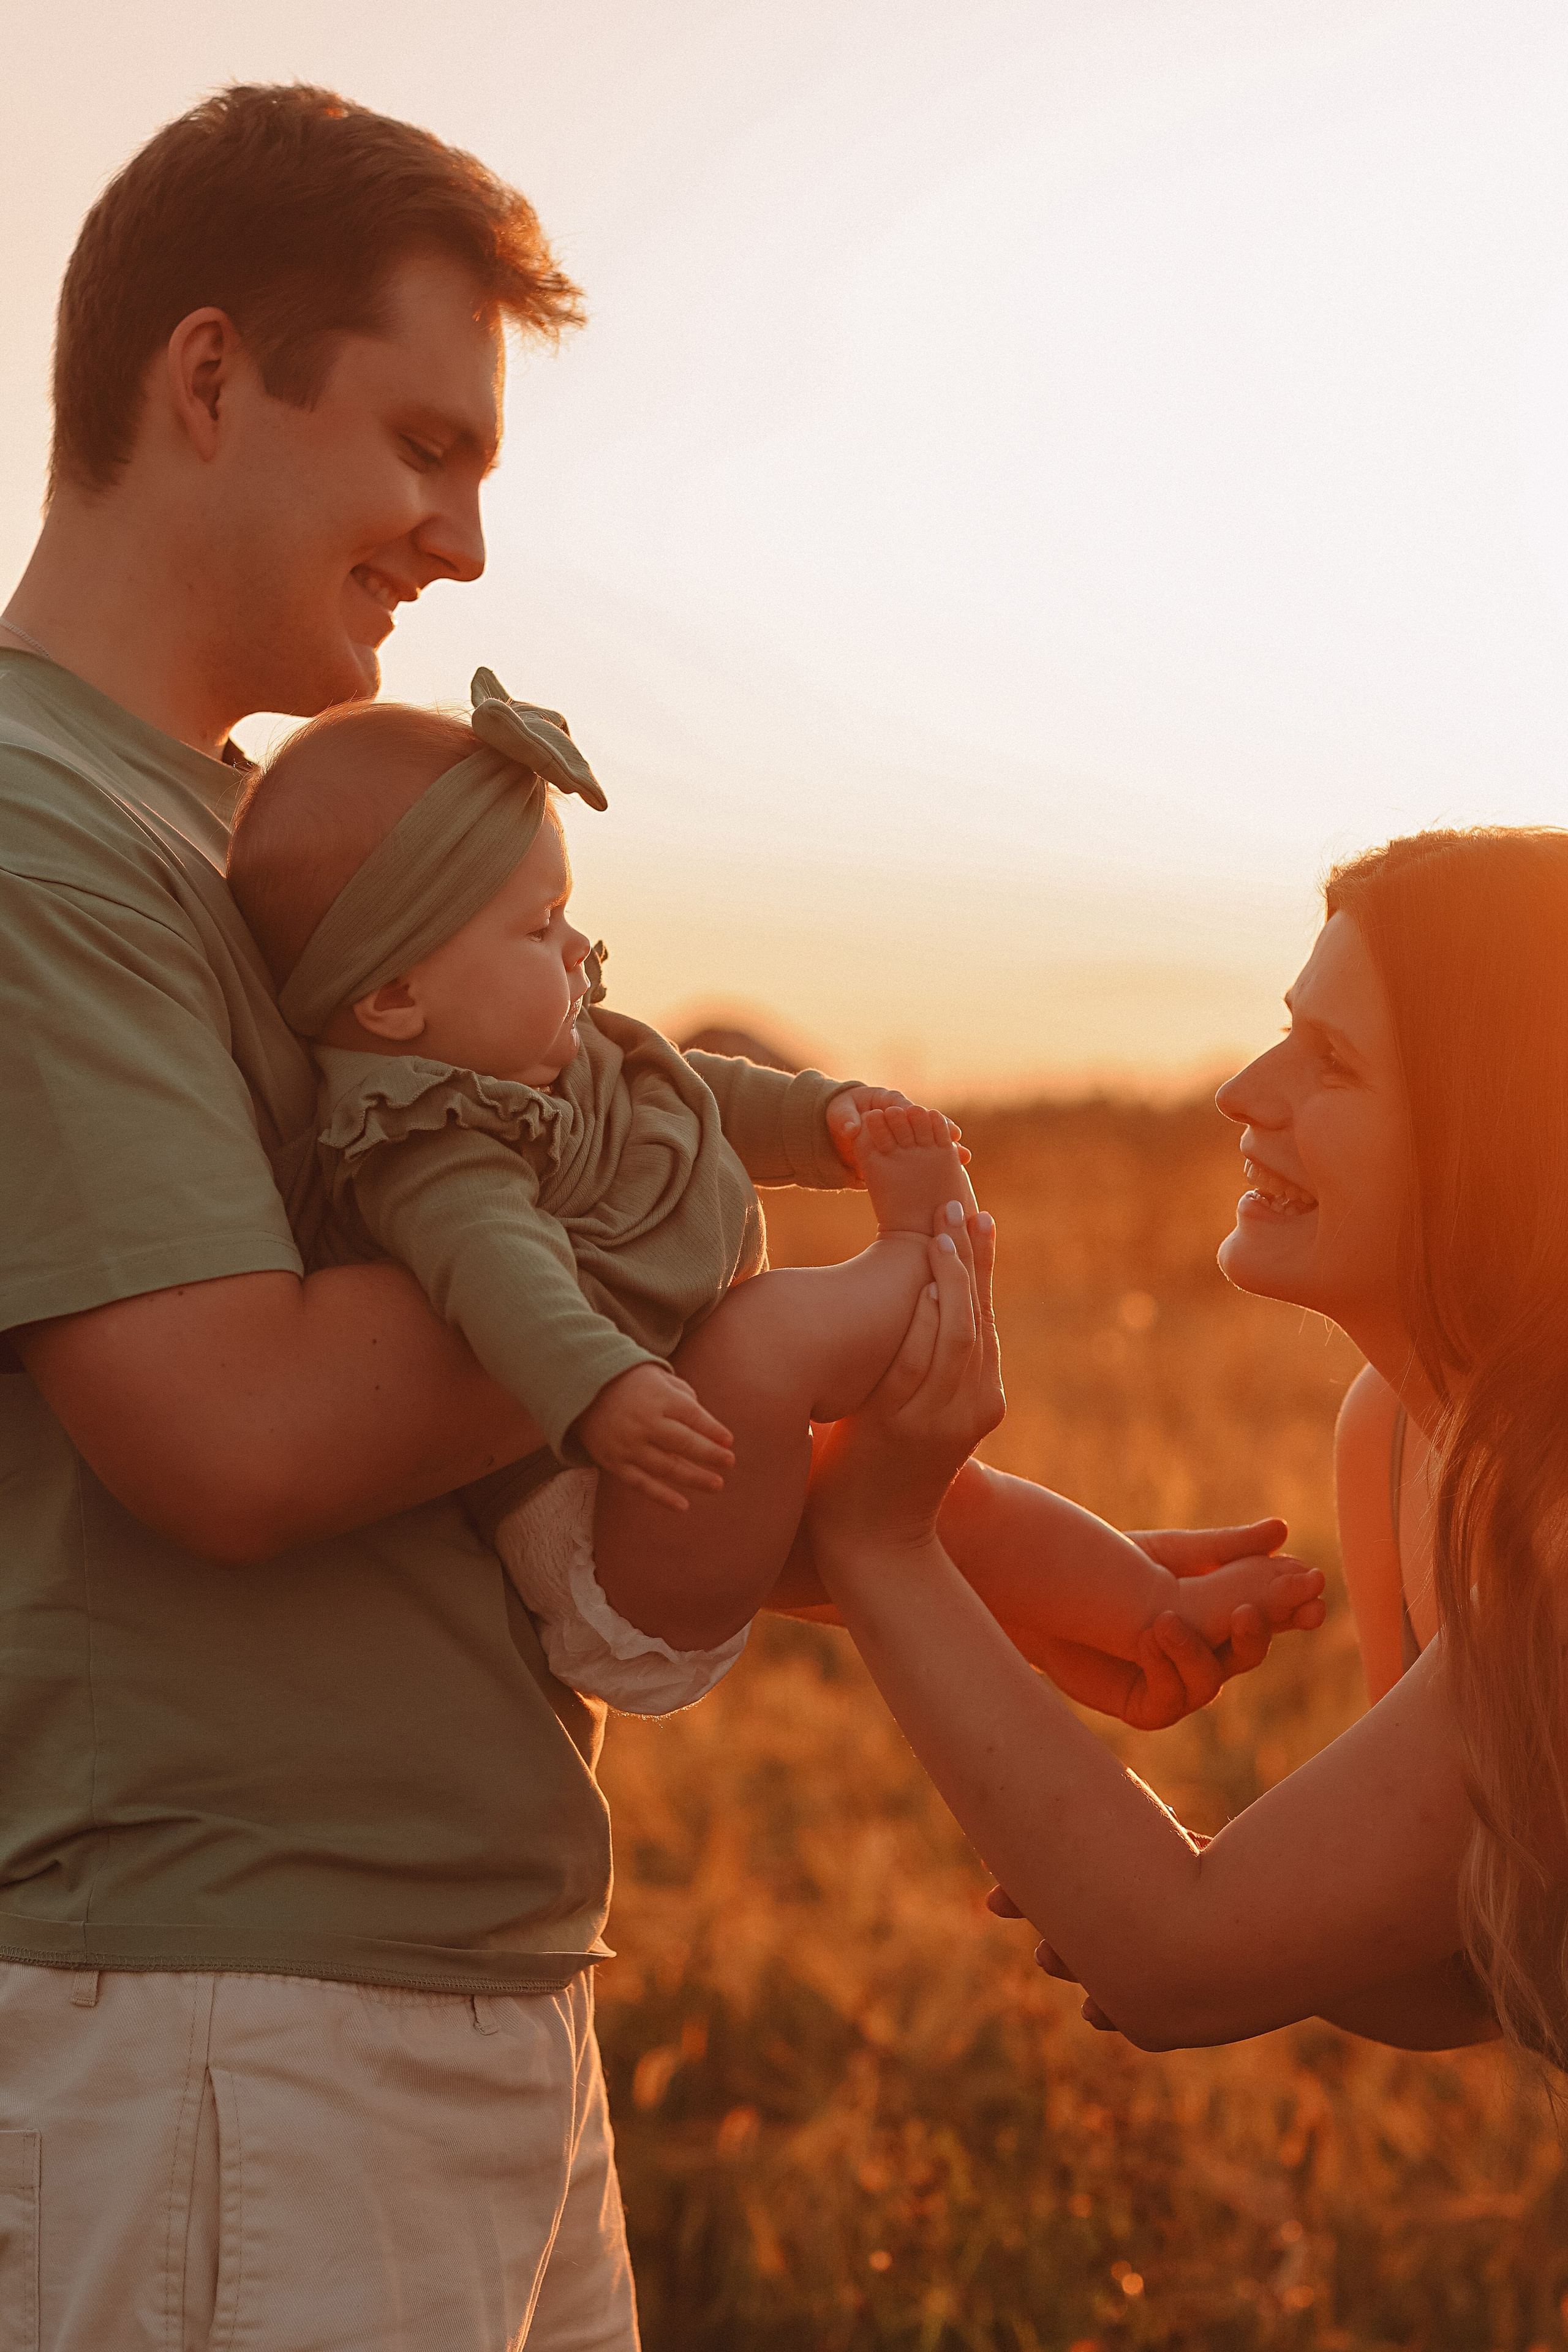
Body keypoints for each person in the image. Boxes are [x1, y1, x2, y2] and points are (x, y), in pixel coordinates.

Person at [0, 79, 1315, 2348]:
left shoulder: (258, 847)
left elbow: (491, 1435)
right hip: (227, 2024)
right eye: (427, 445)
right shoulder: (39, 840)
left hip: (442, 1987)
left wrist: (963, 1540)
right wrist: (695, 1207)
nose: (464, 542)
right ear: (206, 378)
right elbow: (238, 1434)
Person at [225, 682, 1324, 1713]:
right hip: (610, 1537)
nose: (576, 947)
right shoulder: (430, 1146)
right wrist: (603, 1389)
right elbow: (499, 1273)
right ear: (396, 997)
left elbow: (695, 1093)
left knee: (943, 1508)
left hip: (680, 1469)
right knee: (764, 1337)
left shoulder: (562, 1056)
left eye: (565, 912)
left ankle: (1148, 1606)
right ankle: (918, 1256)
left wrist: (826, 1119)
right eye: (536, 927)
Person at [807, 827, 1568, 2070]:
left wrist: (880, 1537)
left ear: (1492, 1130)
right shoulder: (1393, 1437)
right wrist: (1150, 1875)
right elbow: (1461, 1967)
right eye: (1285, 1031)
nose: (1244, 1090)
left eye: (1330, 1059)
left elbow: (1175, 1966)